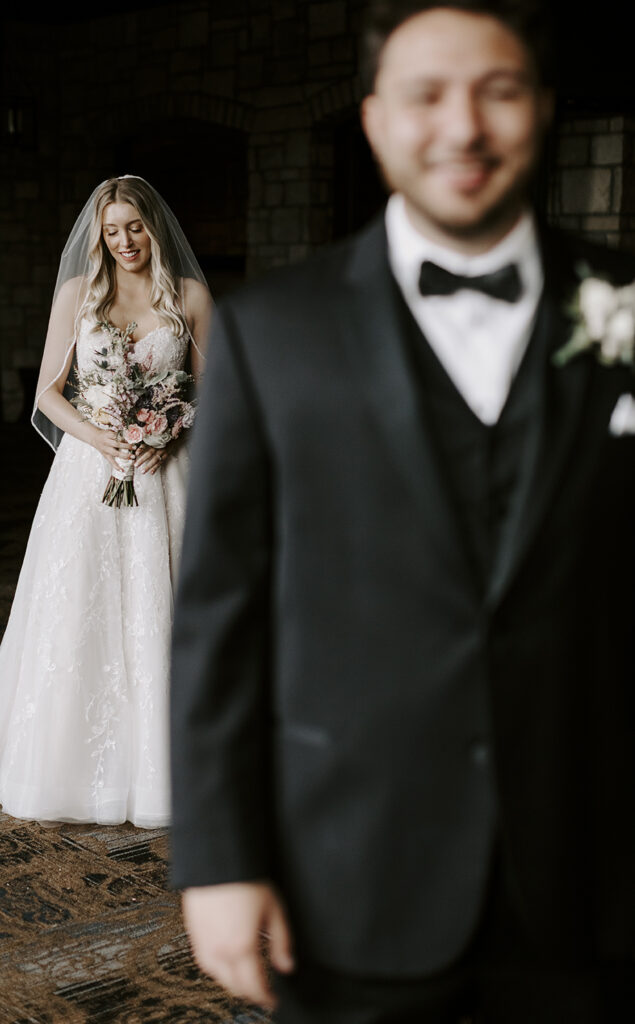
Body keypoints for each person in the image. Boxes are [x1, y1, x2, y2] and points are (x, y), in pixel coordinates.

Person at [170, 2, 635, 1021]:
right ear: (375, 120)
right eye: (425, 95)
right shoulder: (269, 332)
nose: (461, 128)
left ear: (542, 111)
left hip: (592, 878)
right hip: (345, 873)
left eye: (497, 92)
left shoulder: (624, 311)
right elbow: (217, 621)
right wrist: (217, 859)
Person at [0, 175, 212, 828]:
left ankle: (162, 762)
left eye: (135, 227)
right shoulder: (79, 293)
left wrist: (171, 428)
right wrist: (103, 436)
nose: (125, 241)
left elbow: (220, 392)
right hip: (87, 473)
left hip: (159, 475)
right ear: (99, 235)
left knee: (165, 609)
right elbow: (47, 392)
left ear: (155, 226)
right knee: (77, 609)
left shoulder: (190, 296)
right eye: (112, 229)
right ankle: (64, 758)